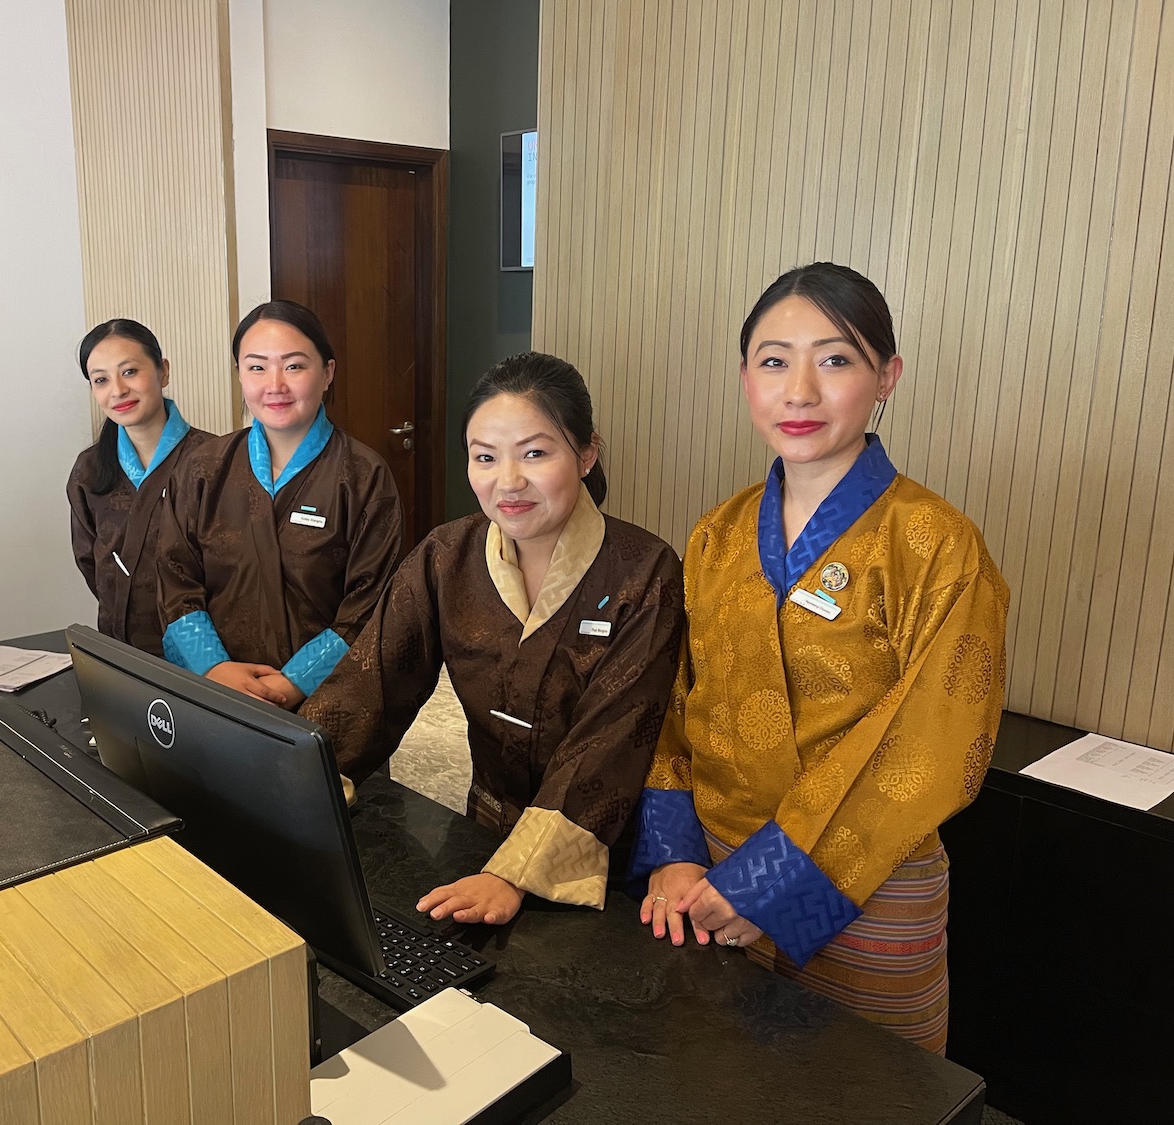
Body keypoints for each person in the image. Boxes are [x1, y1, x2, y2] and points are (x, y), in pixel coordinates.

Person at [634, 262, 1009, 1054]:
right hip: (712, 875)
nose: (798, 390)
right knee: (724, 1079)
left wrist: (768, 885)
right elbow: (676, 703)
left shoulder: (937, 543)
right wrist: (673, 855)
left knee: (868, 1093)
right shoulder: (718, 533)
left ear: (887, 378)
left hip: (866, 885)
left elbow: (934, 745)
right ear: (745, 378)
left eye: (835, 359)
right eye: (774, 361)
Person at [302, 352, 682, 926]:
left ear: (586, 454)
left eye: (535, 452)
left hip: (599, 854)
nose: (508, 481)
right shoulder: (445, 557)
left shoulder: (643, 571)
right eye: (485, 457)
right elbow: (372, 681)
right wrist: (297, 779)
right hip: (482, 835)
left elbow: (614, 735)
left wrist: (517, 871)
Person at [156, 300, 403, 709]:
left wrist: (296, 681)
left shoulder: (363, 476)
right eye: (256, 367)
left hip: (327, 697)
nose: (275, 385)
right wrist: (215, 668)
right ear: (239, 374)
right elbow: (175, 577)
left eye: (293, 366)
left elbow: (372, 599)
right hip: (218, 691)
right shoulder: (203, 469)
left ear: (327, 373)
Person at [68, 318, 209, 656]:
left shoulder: (214, 460)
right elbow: (90, 562)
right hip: (123, 652)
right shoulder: (89, 469)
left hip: (209, 660)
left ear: (163, 371)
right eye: (101, 380)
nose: (117, 390)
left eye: (129, 372)